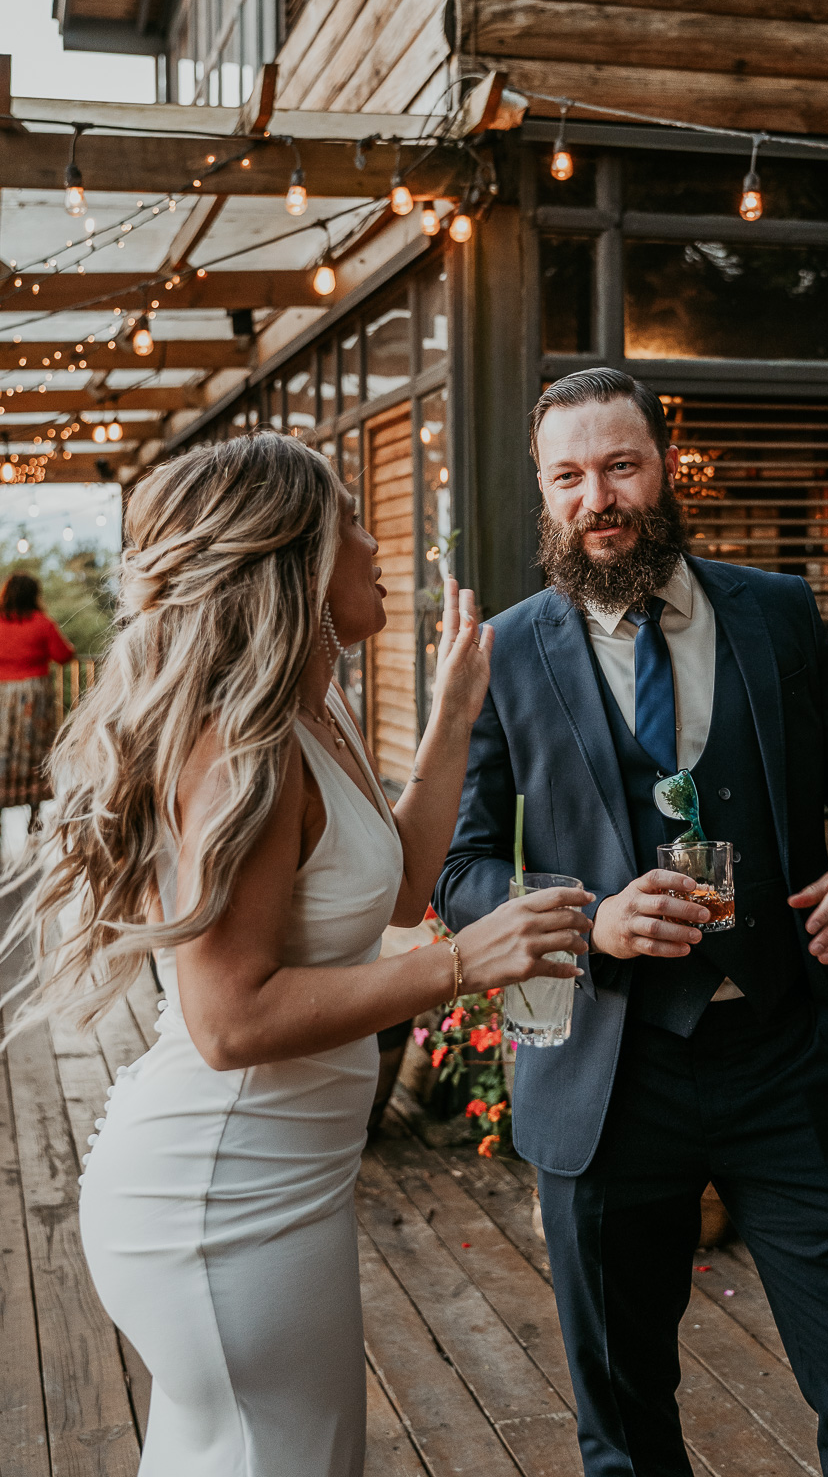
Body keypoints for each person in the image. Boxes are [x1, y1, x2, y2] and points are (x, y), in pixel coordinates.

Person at [3, 432, 591, 1477]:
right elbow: (229, 1023)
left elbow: (403, 884)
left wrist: (456, 707)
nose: (376, 546)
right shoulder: (244, 747)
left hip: (289, 1174)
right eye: (352, 523)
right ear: (294, 558)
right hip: (223, 1191)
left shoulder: (314, 710)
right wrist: (464, 963)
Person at [436, 369, 828, 1477]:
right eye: (567, 477)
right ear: (544, 492)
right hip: (607, 1080)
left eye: (620, 466)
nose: (595, 498)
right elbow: (459, 872)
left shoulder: (779, 612)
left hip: (781, 1057)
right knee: (624, 1426)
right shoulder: (504, 653)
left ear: (667, 466)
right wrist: (589, 920)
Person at [0, 570, 75, 830]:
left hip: (3, 697)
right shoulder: (42, 624)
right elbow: (64, 655)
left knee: (4, 751)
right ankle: (34, 814)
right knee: (34, 751)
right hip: (34, 698)